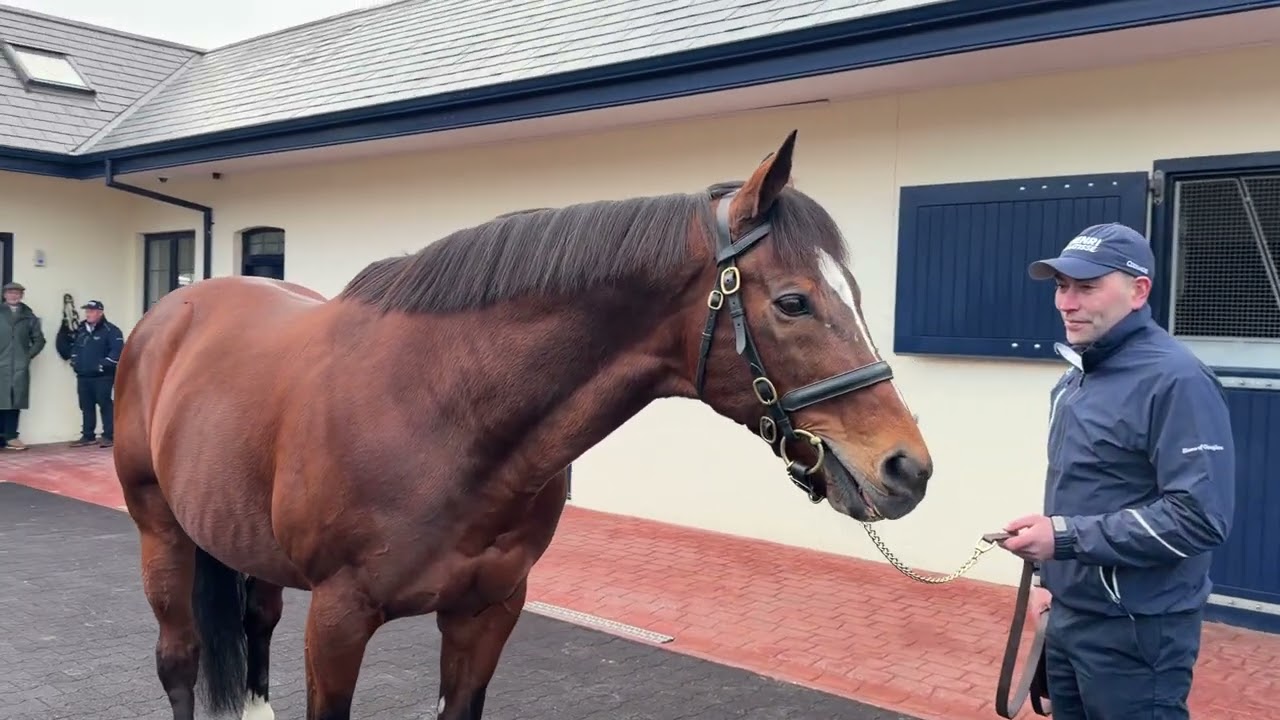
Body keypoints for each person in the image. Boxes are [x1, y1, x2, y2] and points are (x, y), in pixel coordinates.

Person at [998, 222, 1235, 720]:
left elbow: (1200, 517)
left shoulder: (1177, 380)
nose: (1067, 302)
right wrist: (1049, 579)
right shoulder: (1074, 379)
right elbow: (1079, 493)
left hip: (1138, 631)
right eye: (1062, 286)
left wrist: (1062, 538)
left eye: (1087, 287)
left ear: (1138, 290)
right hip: (1068, 616)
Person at [69, 300, 124, 448]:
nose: (88, 314)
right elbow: (75, 348)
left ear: (100, 313)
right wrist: (74, 361)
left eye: (92, 311)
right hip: (83, 375)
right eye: (87, 311)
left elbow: (117, 351)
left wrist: (103, 364)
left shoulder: (111, 330)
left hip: (103, 376)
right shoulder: (81, 330)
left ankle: (109, 436)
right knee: (86, 406)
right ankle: (88, 436)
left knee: (105, 404)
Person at [0, 281, 46, 451]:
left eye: (17, 293)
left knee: (14, 401)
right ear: (5, 295)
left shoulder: (28, 316)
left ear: (21, 296)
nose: (13, 295)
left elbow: (39, 340)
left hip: (19, 366)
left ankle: (12, 437)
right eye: (10, 292)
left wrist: (27, 356)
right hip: (1, 364)